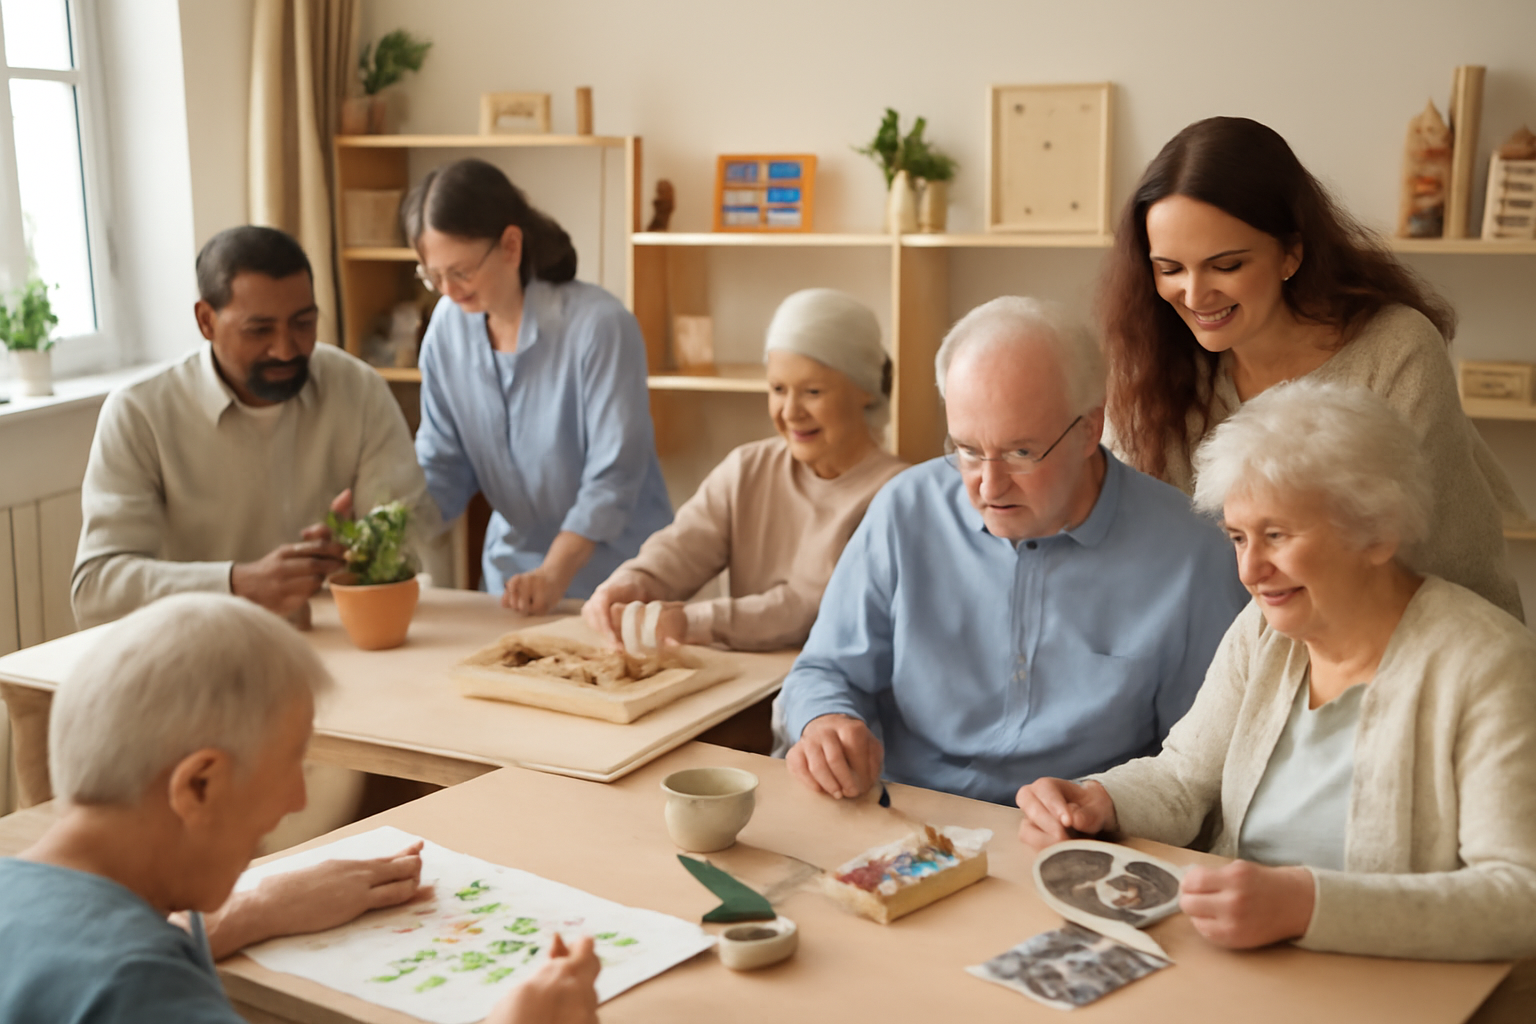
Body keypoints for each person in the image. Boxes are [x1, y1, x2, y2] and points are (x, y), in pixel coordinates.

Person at [1017, 382, 1536, 966]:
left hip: (1390, 985)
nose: (1249, 569)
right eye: (1238, 537)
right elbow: (1185, 776)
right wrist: (1098, 798)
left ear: (1377, 531)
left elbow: (1520, 895)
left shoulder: (1489, 665)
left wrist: (1306, 905)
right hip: (1236, 960)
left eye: (1277, 536)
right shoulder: (1263, 632)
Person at [0, 594, 600, 1024]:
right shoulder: (140, 989)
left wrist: (253, 909)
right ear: (199, 785)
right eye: (292, 759)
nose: (299, 798)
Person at [780, 297, 1248, 805]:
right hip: (902, 815)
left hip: (1072, 840)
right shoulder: (905, 509)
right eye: (968, 450)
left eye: (1021, 453)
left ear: (1090, 428)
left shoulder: (1191, 554)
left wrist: (1107, 809)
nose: (988, 485)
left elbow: (1201, 768)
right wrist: (824, 720)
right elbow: (823, 670)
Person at [1099, 115, 1524, 620]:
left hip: (1412, 641)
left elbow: (1413, 566)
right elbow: (1124, 532)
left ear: (1291, 255)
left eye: (1226, 265)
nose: (1193, 294)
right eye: (1169, 269)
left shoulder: (1395, 350)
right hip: (1228, 651)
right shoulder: (1153, 360)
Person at [72, 225, 430, 630]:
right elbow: (95, 592)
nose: (286, 348)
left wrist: (356, 553)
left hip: (329, 643)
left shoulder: (358, 388)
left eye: (303, 323)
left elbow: (411, 533)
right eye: (259, 330)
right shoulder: (138, 413)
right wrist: (236, 584)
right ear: (206, 321)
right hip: (191, 654)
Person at [405, 158, 673, 615]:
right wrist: (382, 528)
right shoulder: (447, 331)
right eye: (433, 276)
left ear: (511, 245)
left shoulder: (599, 327)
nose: (448, 291)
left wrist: (555, 571)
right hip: (512, 581)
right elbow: (443, 467)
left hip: (618, 580)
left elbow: (613, 478)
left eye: (461, 272)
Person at [581, 288, 907, 651]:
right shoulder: (747, 468)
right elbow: (684, 546)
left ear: (865, 388)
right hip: (743, 683)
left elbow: (807, 606)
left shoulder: (896, 493)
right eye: (778, 389)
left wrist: (692, 621)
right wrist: (634, 582)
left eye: (813, 391)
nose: (790, 411)